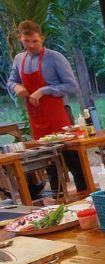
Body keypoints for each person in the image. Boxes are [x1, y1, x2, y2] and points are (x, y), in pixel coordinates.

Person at [6, 20, 87, 197]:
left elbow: (72, 86)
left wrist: (45, 90)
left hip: (59, 115)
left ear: (41, 38)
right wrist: (16, 87)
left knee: (71, 157)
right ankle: (58, 197)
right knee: (47, 159)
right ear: (21, 39)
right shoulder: (19, 59)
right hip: (37, 117)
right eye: (27, 42)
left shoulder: (54, 57)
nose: (31, 45)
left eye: (35, 41)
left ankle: (86, 193)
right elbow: (11, 81)